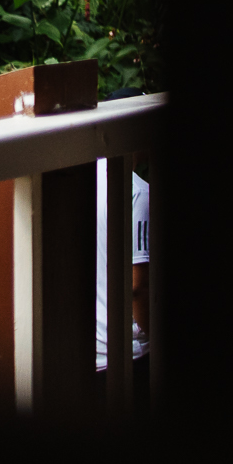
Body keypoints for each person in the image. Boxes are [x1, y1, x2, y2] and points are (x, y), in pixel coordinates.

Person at [94, 156, 150, 406]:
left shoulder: (81, 179)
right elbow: (137, 287)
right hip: (130, 354)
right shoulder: (138, 193)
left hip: (89, 350)